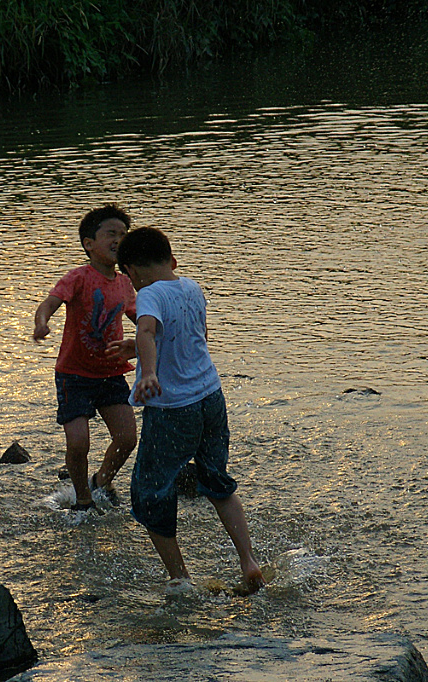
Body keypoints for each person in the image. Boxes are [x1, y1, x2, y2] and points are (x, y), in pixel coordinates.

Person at [114, 226, 265, 595]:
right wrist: (135, 349)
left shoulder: (148, 294)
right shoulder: (192, 288)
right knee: (217, 482)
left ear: (132, 272)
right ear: (173, 261)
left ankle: (180, 578)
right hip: (211, 397)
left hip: (173, 409)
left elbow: (149, 330)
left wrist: (147, 370)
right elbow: (192, 337)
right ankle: (248, 561)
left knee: (149, 492)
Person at [33, 204, 138, 514]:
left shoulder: (124, 283)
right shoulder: (78, 277)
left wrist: (164, 330)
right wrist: (42, 322)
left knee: (127, 438)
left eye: (123, 234)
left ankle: (102, 480)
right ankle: (83, 500)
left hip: (110, 373)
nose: (118, 239)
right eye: (111, 234)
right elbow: (50, 302)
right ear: (89, 244)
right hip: (74, 375)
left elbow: (141, 318)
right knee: (79, 443)